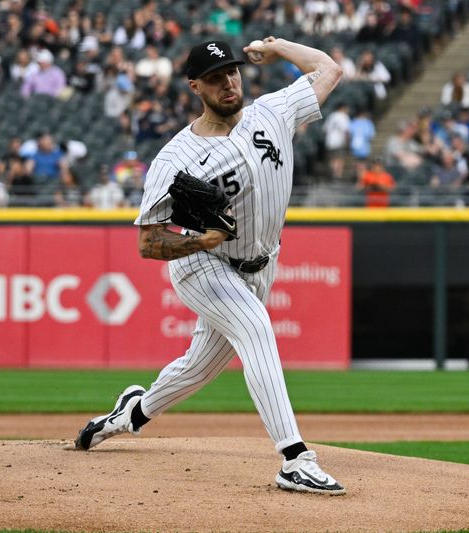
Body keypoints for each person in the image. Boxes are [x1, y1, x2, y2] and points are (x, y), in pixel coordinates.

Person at [73, 38, 346, 495]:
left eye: (233, 72)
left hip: (261, 266)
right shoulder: (176, 158)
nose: (228, 82)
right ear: (195, 86)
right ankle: (295, 458)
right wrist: (201, 239)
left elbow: (329, 70)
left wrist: (278, 47)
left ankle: (129, 414)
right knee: (257, 330)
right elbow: (147, 241)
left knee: (197, 369)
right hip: (204, 264)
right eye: (216, 77)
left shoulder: (273, 112)